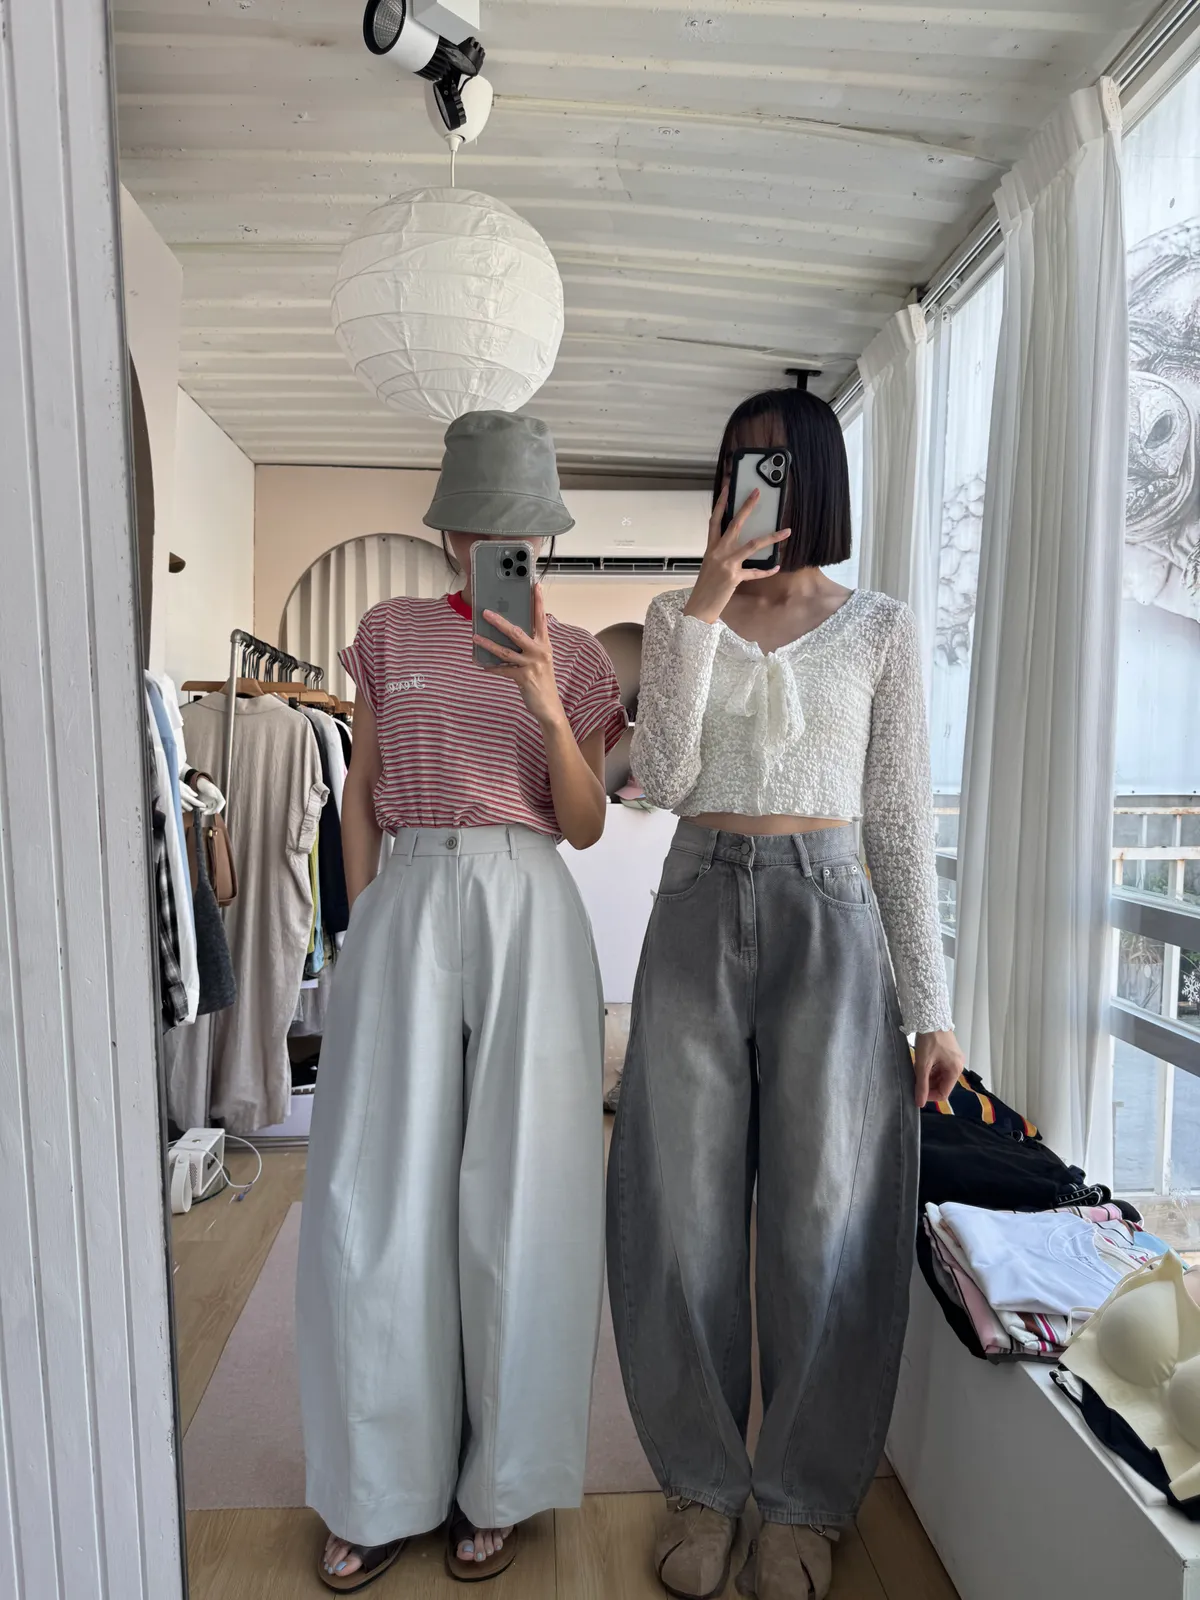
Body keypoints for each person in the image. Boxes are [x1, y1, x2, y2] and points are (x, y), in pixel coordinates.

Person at [607, 388, 964, 1600]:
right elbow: (659, 779)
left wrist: (931, 1006)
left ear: (815, 475)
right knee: (682, 1206)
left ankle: (806, 1497)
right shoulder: (678, 615)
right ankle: (703, 1485)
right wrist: (706, 606)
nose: (748, 484)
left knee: (825, 1213)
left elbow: (901, 822)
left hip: (831, 914)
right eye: (735, 464)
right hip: (697, 903)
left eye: (770, 463)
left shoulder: (881, 628)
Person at [297, 411, 626, 1593]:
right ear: (447, 530)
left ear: (544, 536)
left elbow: (586, 823)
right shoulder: (387, 630)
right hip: (407, 894)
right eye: (479, 522)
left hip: (529, 895)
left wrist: (546, 703)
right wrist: (350, 931)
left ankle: (504, 1482)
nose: (498, 541)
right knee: (371, 1189)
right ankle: (374, 1486)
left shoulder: (574, 654)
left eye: (519, 526)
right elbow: (363, 788)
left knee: (526, 1189)